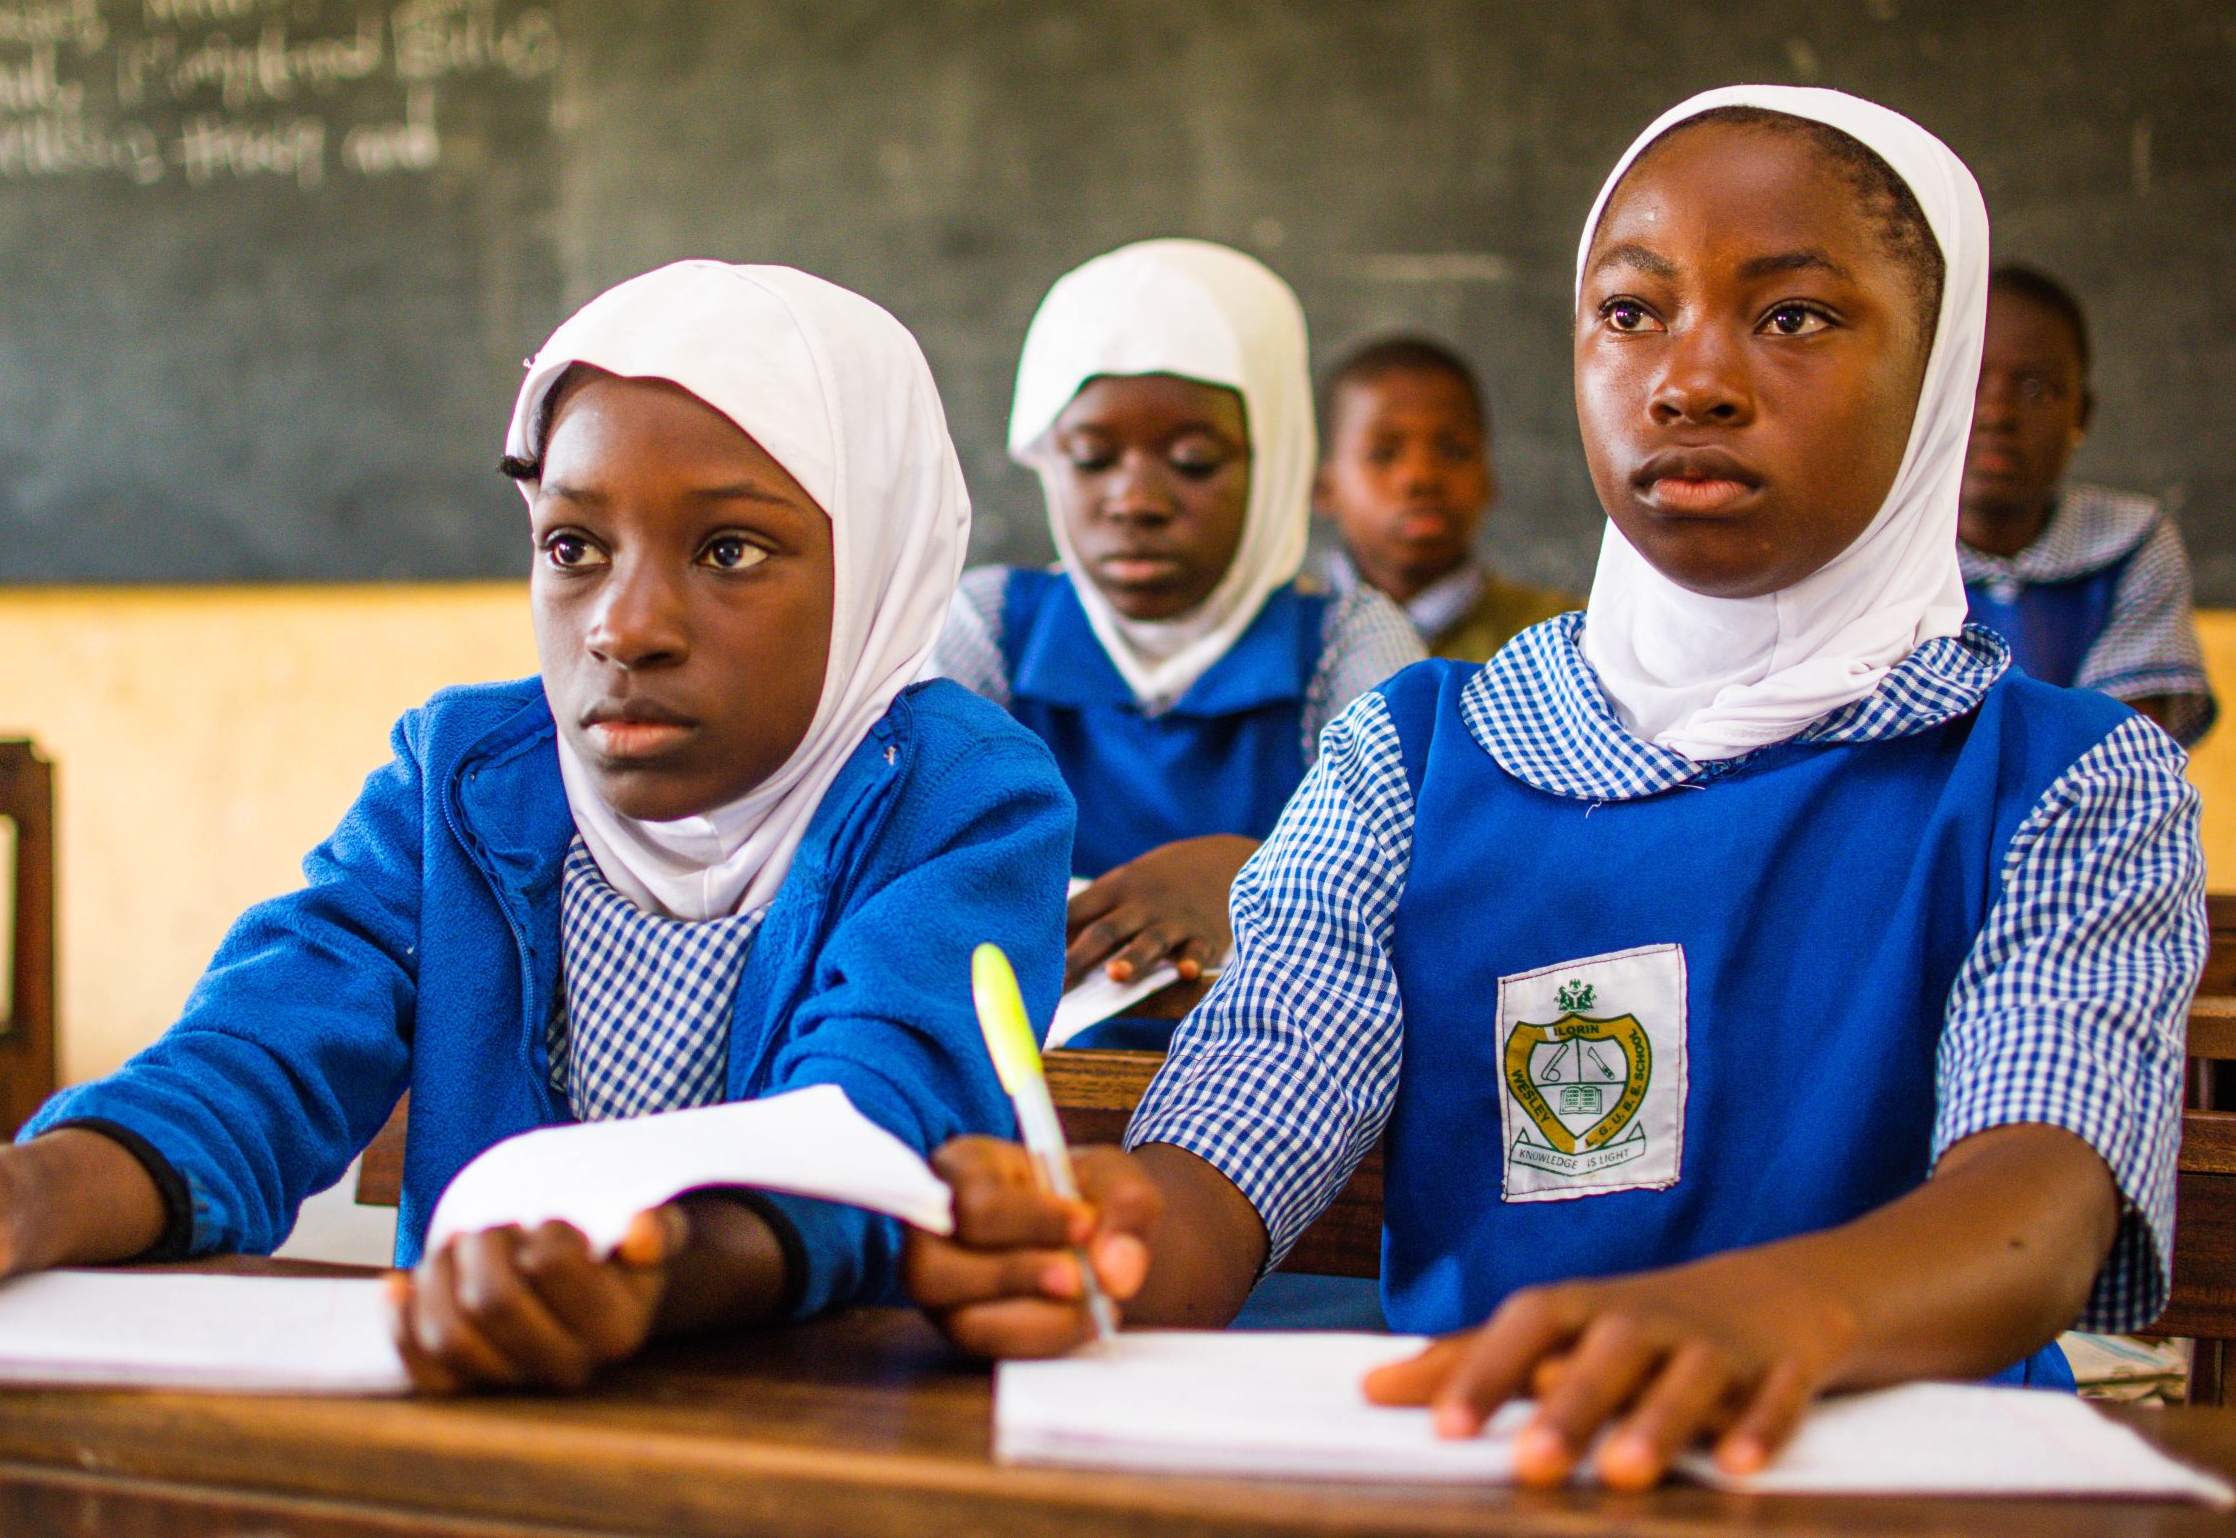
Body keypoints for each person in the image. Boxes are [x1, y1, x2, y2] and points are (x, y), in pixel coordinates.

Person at [903, 88, 2204, 1492]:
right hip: (1491, 1468)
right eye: (1632, 314)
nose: (1690, 378)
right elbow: (1246, 1118)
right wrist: (1115, 1235)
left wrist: (1774, 1313)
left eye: (1794, 317)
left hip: (1903, 1491)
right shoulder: (1416, 754)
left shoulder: (2067, 778)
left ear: (1938, 370)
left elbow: (2038, 1204)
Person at [0, 261, 1076, 1393]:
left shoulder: (962, 795)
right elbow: (254, 1058)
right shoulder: (463, 777)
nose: (626, 624)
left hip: (811, 1442)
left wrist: (647, 1274)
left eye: (728, 549)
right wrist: (16, 1195)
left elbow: (875, 1122)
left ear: (885, 561)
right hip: (470, 1425)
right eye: (572, 545)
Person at [932, 239, 1423, 998]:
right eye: (1093, 458)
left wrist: (1253, 874)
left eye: (1193, 461)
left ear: (1277, 461)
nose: (1135, 501)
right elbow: (910, 861)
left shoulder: (1345, 642)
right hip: (1027, 1079)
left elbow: (1425, 881)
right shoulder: (989, 626)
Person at [1958, 264, 2217, 747]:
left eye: (2036, 388)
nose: (1996, 412)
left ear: (2081, 414)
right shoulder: (1869, 544)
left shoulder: (2130, 543)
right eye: (1969, 377)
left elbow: (2123, 758)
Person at [1314, 336, 1578, 660]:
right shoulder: (1281, 638)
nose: (1421, 477)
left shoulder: (1566, 639)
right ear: (1324, 488)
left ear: (1488, 479)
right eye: (1383, 454)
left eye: (1453, 452)